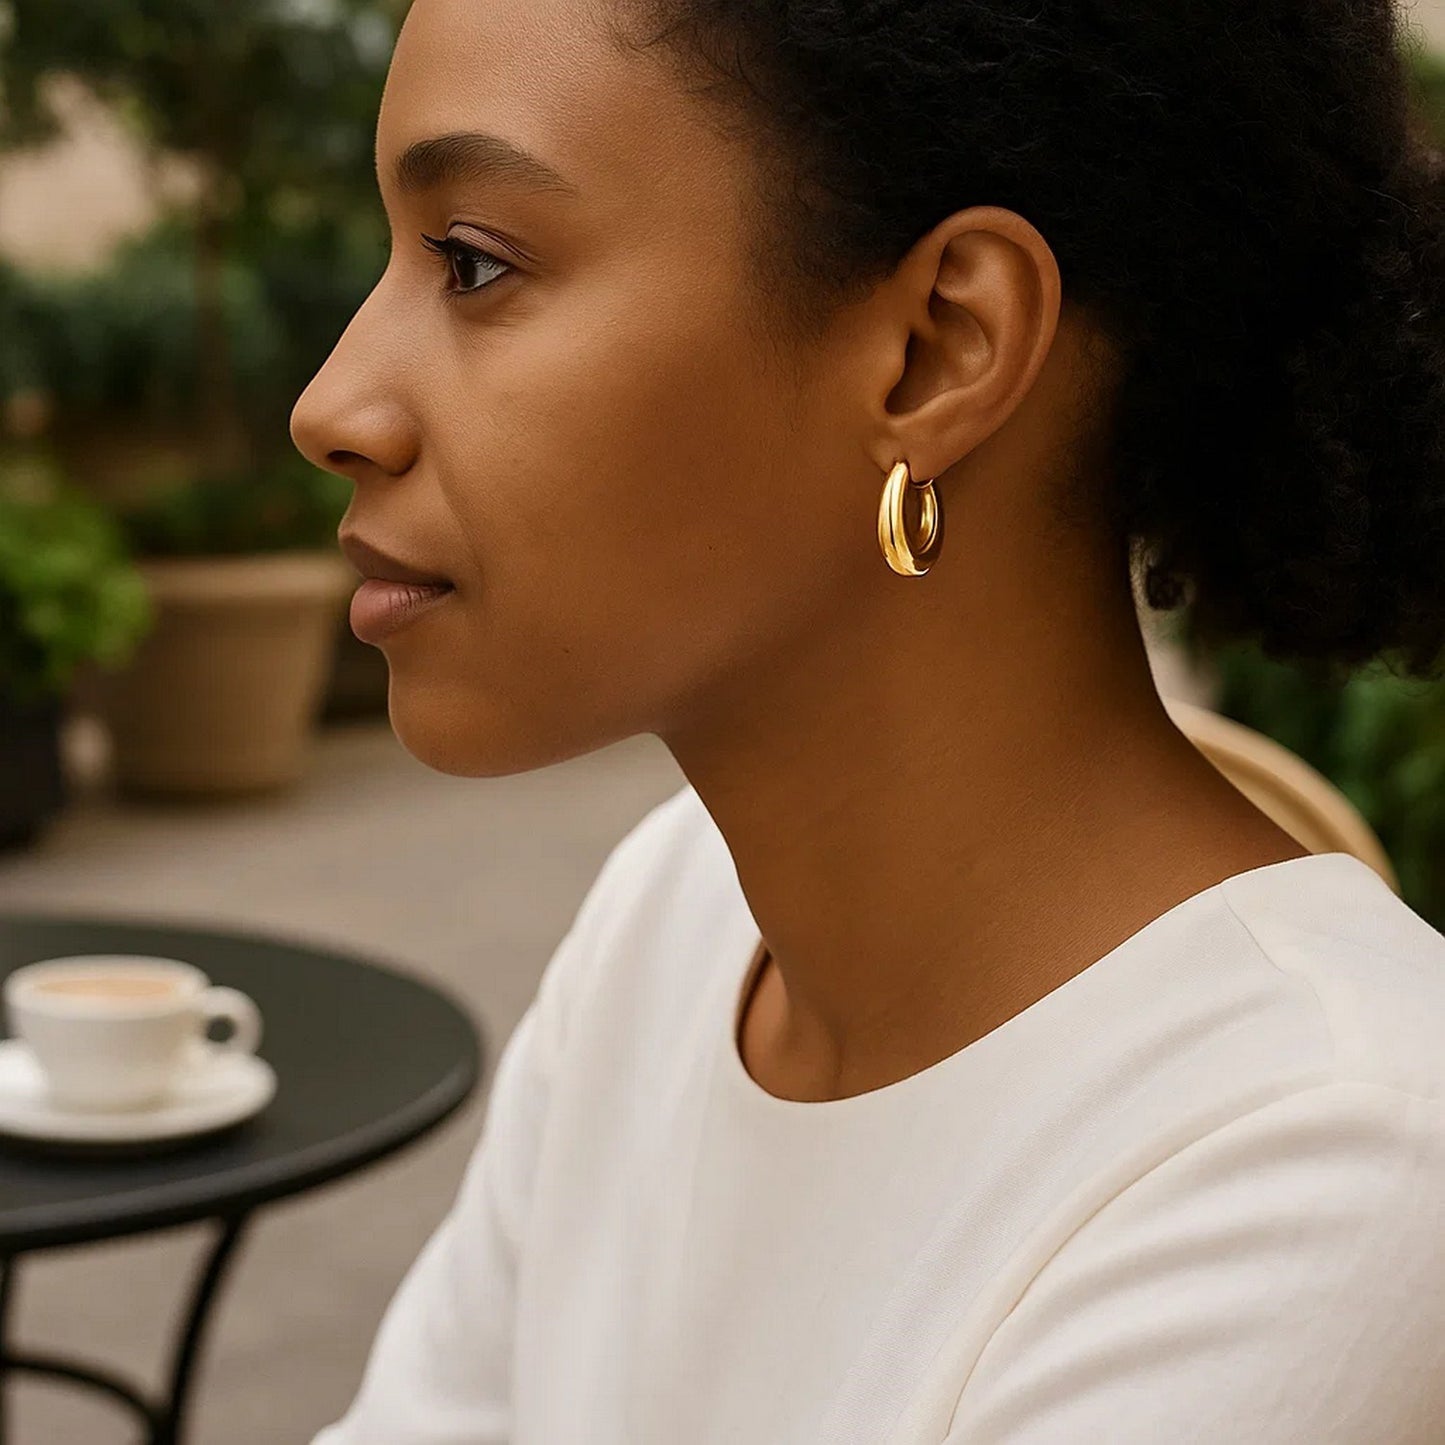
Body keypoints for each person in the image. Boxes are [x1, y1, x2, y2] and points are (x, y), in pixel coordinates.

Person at [289, 0, 1445, 1439]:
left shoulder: (1322, 1171)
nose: (332, 405)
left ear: (936, 349)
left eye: (472, 262)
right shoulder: (672, 919)